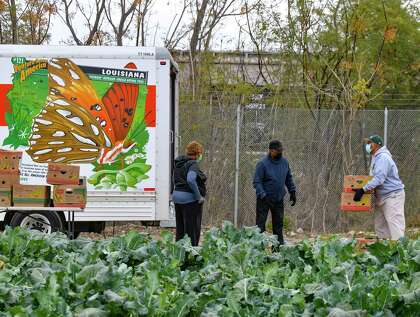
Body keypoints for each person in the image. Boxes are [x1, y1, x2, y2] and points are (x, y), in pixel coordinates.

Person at [353, 135, 405, 240]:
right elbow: (374, 179)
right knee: (381, 227)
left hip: (392, 196)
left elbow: (379, 178)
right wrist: (362, 189)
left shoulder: (383, 157)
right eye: (367, 143)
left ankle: (401, 253)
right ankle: (386, 252)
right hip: (382, 197)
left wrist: (363, 189)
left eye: (370, 143)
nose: (368, 145)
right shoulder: (376, 157)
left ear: (377, 145)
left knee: (395, 225)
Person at [253, 140, 296, 244]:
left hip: (278, 199)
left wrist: (292, 191)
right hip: (264, 199)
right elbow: (256, 182)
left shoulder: (285, 162)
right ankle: (259, 249)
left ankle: (277, 250)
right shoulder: (262, 164)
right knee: (260, 226)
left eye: (281, 150)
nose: (280, 152)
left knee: (278, 226)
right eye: (277, 151)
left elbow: (288, 178)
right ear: (271, 151)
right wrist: (263, 195)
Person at [172, 141, 207, 246]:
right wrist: (199, 197)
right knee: (191, 229)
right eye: (200, 153)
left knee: (180, 228)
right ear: (197, 154)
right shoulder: (193, 164)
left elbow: (174, 178)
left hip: (177, 197)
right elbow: (191, 179)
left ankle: (178, 250)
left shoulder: (178, 163)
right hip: (189, 200)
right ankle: (191, 252)